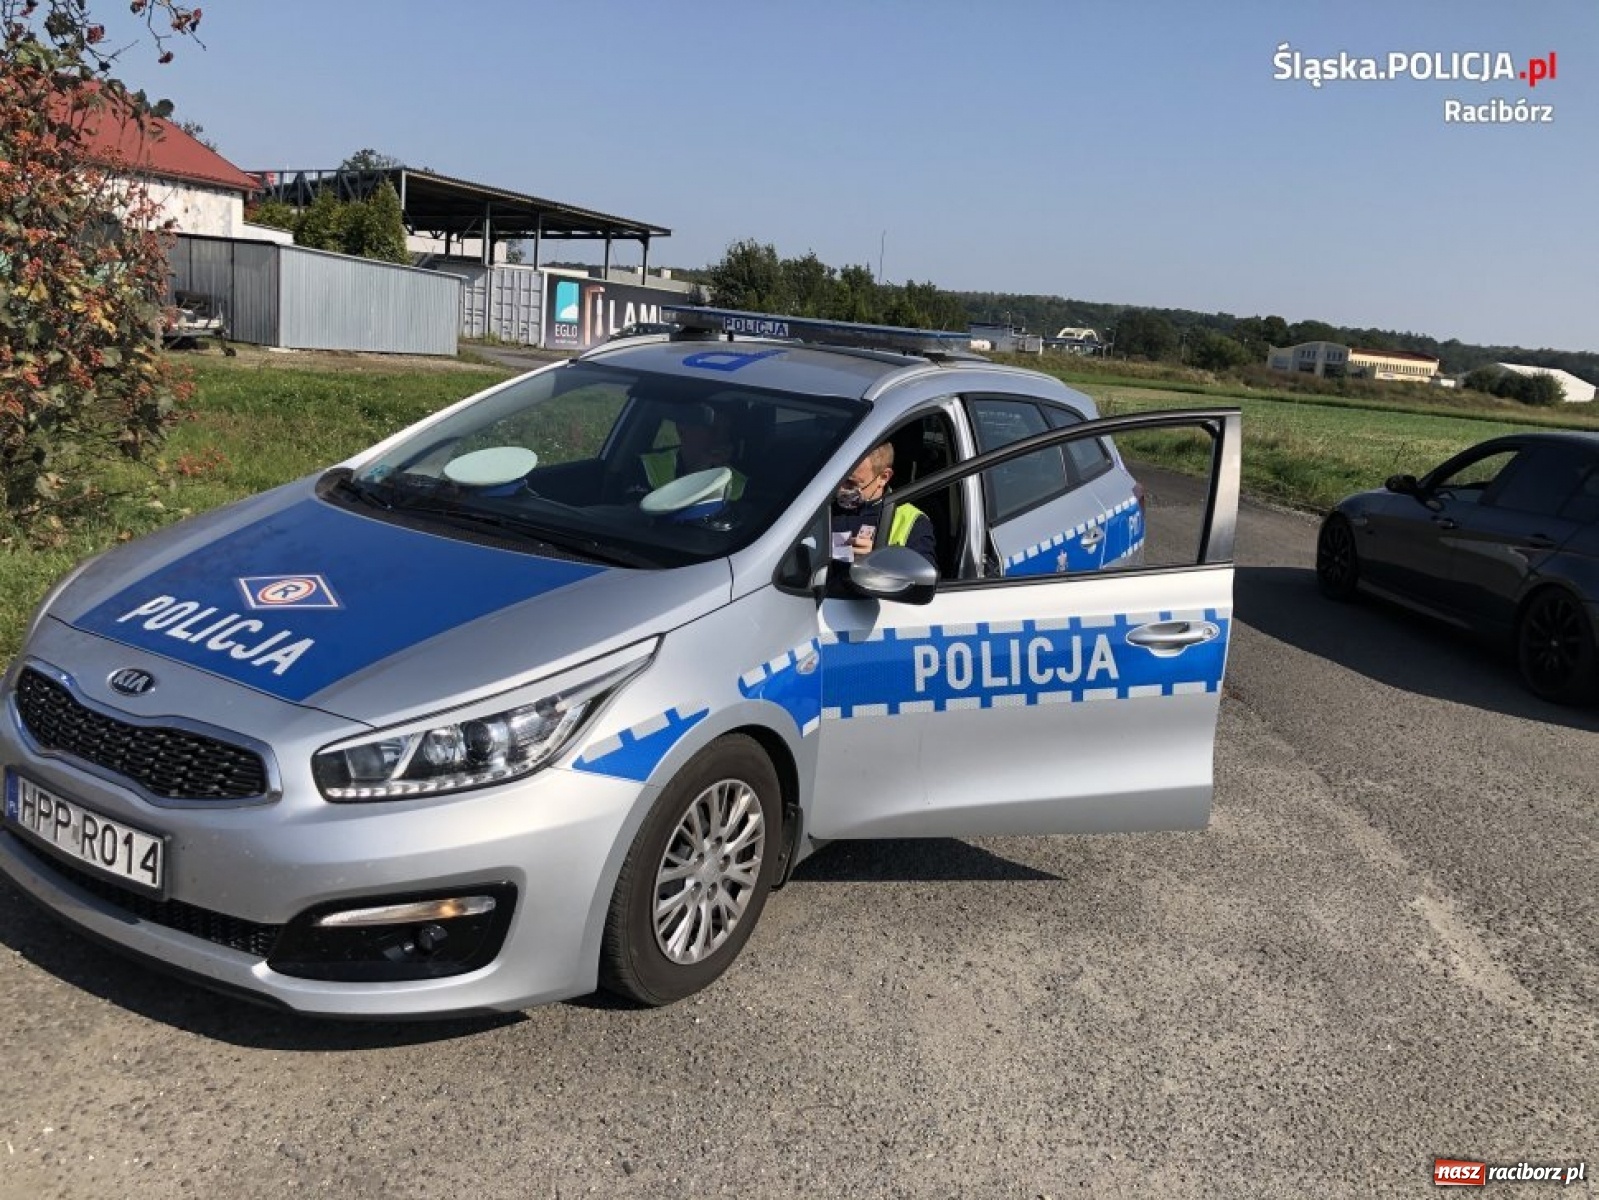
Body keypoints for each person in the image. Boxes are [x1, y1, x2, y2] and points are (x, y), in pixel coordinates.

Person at [830, 443, 937, 569]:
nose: (840, 489)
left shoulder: (912, 522)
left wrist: (881, 561)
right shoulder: (822, 503)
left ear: (883, 477)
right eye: (837, 479)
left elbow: (923, 576)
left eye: (851, 483)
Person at [638, 404, 747, 499]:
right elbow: (634, 516)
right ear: (681, 429)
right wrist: (699, 470)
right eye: (712, 429)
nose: (720, 438)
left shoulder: (740, 484)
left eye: (726, 431)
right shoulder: (646, 467)